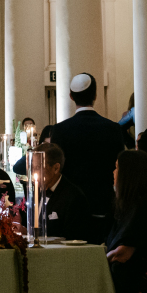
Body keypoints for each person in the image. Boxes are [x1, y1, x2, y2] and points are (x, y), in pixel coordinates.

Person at [50, 73, 131, 221]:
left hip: (70, 207)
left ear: (71, 96)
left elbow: (56, 170)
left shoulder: (60, 130)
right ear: (95, 95)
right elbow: (120, 166)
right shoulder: (113, 128)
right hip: (105, 205)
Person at [107, 149, 147, 293]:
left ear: (128, 175)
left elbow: (120, 253)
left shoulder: (143, 209)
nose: (113, 172)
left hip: (135, 281)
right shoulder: (136, 202)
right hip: (127, 273)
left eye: (117, 168)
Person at [32, 142, 100, 243]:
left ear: (56, 168)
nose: (34, 173)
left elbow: (73, 240)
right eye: (33, 168)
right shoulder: (37, 192)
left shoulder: (74, 198)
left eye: (38, 167)